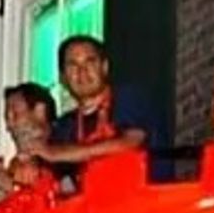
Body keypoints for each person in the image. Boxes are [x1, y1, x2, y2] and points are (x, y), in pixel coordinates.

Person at [30, 35, 155, 172]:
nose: (82, 71)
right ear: (63, 78)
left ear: (104, 67)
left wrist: (61, 154)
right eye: (73, 65)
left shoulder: (127, 97)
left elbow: (131, 142)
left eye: (90, 62)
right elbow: (47, 170)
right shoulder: (65, 126)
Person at [0, 83, 58, 198]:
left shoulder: (60, 155)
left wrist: (9, 185)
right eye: (7, 118)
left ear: (39, 111)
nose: (9, 126)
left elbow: (52, 206)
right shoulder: (16, 164)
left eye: (15, 115)